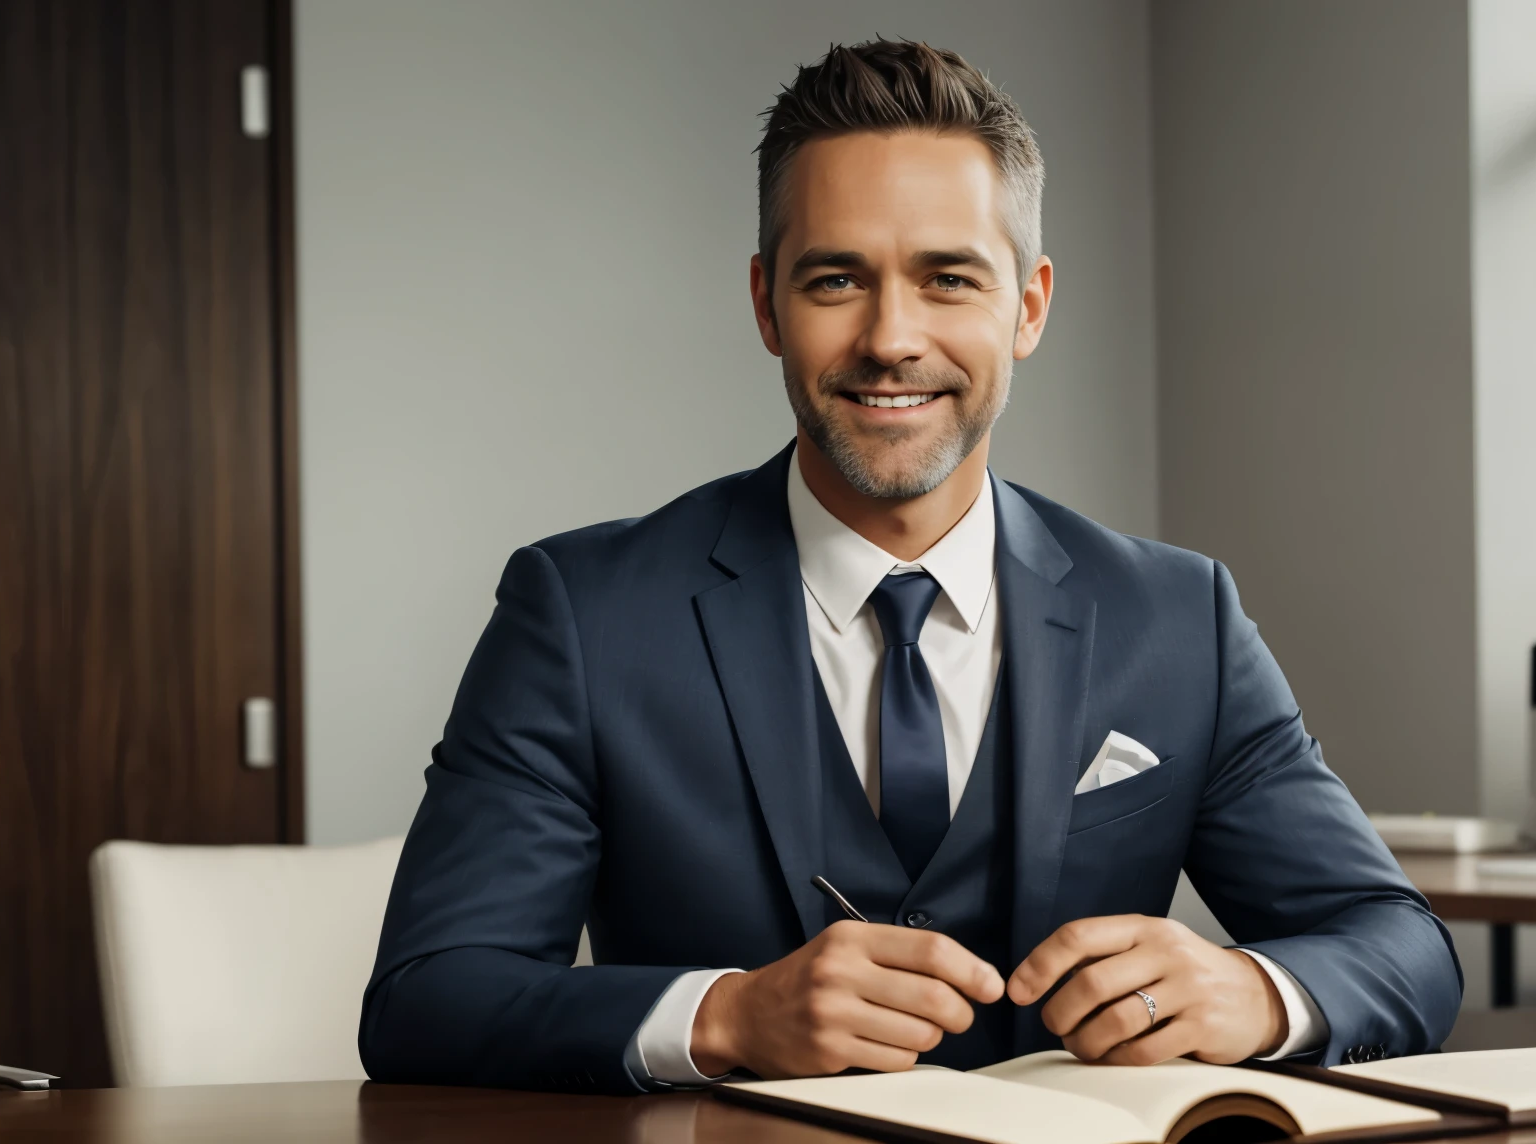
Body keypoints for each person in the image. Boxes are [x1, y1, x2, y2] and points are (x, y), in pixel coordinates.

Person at [360, 38, 1460, 1095]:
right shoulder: (582, 615)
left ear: (1026, 307)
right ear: (765, 305)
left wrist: (1257, 992)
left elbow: (1402, 945)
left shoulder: (1182, 619)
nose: (892, 337)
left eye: (947, 279)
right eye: (837, 279)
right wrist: (728, 1015)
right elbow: (428, 994)